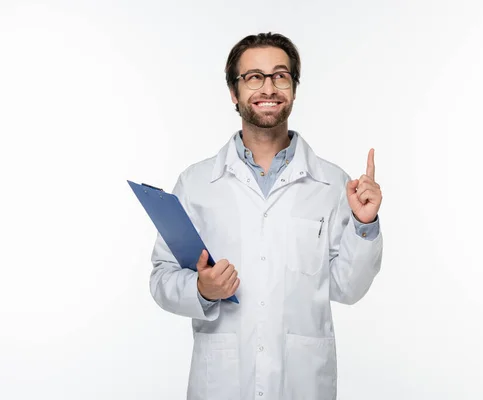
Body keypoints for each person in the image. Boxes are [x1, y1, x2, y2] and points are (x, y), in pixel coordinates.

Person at [149, 32, 383, 400]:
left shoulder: (332, 183)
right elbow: (161, 278)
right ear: (234, 92)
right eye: (253, 77)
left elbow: (348, 288)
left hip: (302, 382)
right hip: (222, 382)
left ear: (293, 87)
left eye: (280, 75)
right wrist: (201, 289)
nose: (268, 87)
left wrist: (364, 225)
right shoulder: (196, 183)